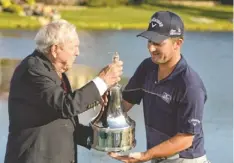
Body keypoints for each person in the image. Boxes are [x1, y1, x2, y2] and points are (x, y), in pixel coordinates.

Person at [4, 19, 123, 163]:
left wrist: (105, 139)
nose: (77, 53)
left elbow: (64, 124)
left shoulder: (55, 72)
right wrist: (101, 81)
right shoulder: (33, 70)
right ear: (55, 50)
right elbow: (66, 106)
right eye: (74, 47)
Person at [109, 11, 210, 163]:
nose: (151, 48)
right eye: (149, 41)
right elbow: (124, 104)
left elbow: (186, 139)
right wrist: (107, 100)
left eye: (158, 43)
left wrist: (146, 155)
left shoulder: (190, 86)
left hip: (185, 159)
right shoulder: (147, 67)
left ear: (177, 43)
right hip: (158, 156)